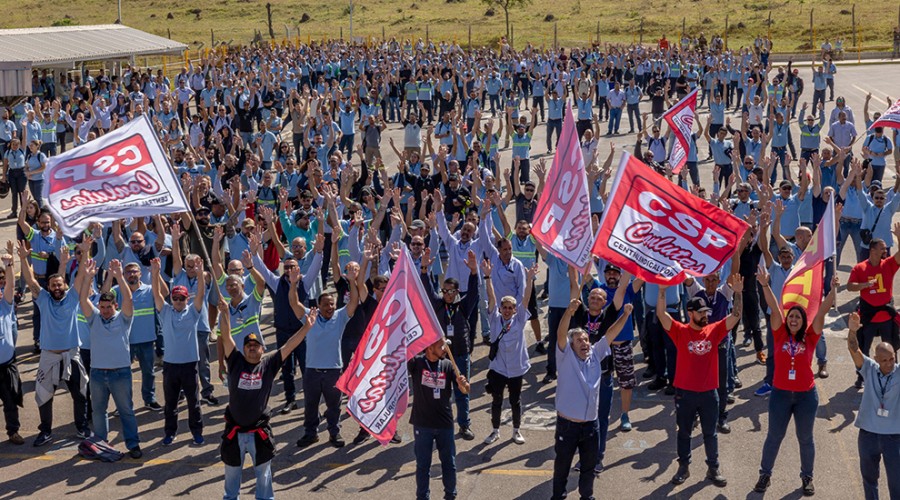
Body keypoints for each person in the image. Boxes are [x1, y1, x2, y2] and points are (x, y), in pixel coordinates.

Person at [220, 289, 315, 498]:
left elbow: (290, 345)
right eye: (248, 345)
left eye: (256, 345)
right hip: (234, 433)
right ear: (244, 349)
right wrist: (225, 313)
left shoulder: (269, 364)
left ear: (263, 349)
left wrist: (307, 327)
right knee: (231, 484)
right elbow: (226, 336)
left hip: (259, 433)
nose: (252, 348)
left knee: (263, 482)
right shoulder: (235, 361)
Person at [754, 266, 840, 496]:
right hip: (780, 395)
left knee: (805, 438)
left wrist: (832, 291)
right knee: (774, 436)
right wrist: (764, 285)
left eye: (797, 317)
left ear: (803, 321)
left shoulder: (811, 336)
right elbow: (773, 308)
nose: (793, 319)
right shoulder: (779, 332)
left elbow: (821, 312)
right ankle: (765, 474)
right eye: (790, 316)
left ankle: (807, 477)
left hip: (806, 397)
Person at [551, 269, 632, 500]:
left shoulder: (596, 353)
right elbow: (560, 333)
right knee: (562, 467)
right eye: (579, 340)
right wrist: (569, 311)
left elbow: (609, 333)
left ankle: (587, 497)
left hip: (591, 426)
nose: (585, 342)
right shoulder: (565, 355)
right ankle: (558, 496)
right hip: (568, 425)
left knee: (588, 469)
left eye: (586, 339)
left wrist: (625, 315)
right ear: (571, 343)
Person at [657, 276, 743, 487]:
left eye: (707, 312)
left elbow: (736, 315)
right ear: (691, 313)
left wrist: (738, 293)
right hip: (684, 393)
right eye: (701, 313)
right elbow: (661, 314)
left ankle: (713, 468)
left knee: (710, 433)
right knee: (684, 433)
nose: (706, 316)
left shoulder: (714, 330)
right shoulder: (680, 331)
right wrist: (661, 292)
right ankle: (684, 468)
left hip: (709, 394)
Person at [19, 239, 90, 447]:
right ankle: (45, 431)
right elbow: (31, 281)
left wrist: (85, 253)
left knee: (80, 394)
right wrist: (23, 258)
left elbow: (83, 274)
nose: (57, 288)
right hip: (49, 356)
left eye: (59, 284)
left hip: (71, 355)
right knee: (44, 396)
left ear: (65, 285)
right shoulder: (43, 299)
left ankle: (82, 426)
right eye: (53, 285)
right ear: (48, 288)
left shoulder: (72, 297)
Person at [78, 259, 142, 458]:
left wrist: (119, 276)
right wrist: (88, 278)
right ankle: (101, 444)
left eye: (109, 306)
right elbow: (82, 300)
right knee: (98, 412)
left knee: (126, 411)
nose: (105, 310)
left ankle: (133, 444)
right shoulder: (94, 318)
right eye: (102, 306)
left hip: (120, 373)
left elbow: (129, 300)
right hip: (97, 373)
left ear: (115, 305)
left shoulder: (124, 318)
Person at [295, 261, 360, 449]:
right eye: (326, 304)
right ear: (319, 306)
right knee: (311, 406)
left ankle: (334, 433)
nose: (330, 307)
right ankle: (310, 433)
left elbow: (354, 302)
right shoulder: (310, 316)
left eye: (332, 304)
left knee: (333, 407)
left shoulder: (340, 316)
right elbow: (294, 303)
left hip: (333, 370)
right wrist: (293, 284)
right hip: (312, 371)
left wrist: (353, 282)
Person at [482, 258, 538, 446]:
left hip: (516, 369)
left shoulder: (520, 319)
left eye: (510, 308)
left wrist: (529, 279)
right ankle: (495, 430)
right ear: (500, 309)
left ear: (515, 310)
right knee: (497, 401)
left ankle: (516, 430)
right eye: (504, 307)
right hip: (498, 368)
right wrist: (488, 277)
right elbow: (491, 297)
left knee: (515, 401)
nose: (507, 310)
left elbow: (526, 299)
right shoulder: (495, 319)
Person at [151, 257, 206, 445]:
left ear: (186, 299)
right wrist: (155, 272)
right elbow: (157, 294)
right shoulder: (165, 311)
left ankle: (197, 432)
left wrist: (199, 275)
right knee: (171, 404)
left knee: (193, 402)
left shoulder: (193, 312)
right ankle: (169, 432)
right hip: (171, 365)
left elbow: (200, 295)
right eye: (175, 298)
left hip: (190, 364)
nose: (178, 301)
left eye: (182, 298)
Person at [409, 335, 470, 500]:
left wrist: (463, 385)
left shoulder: (448, 365)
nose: (445, 349)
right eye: (441, 346)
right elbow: (400, 353)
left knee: (449, 464)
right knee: (423, 466)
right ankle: (422, 497)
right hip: (423, 424)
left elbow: (466, 390)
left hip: (444, 424)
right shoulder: (416, 363)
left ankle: (450, 496)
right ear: (429, 347)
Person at [847, 312, 900, 499]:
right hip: (868, 434)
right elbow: (854, 350)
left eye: (892, 359)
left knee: (897, 483)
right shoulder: (869, 368)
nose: (889, 364)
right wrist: (852, 332)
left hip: (894, 437)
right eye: (884, 360)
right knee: (869, 480)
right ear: (876, 359)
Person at [846, 224, 900, 389]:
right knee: (863, 347)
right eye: (882, 248)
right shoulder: (860, 267)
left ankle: (894, 377)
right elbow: (850, 286)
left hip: (885, 315)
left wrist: (899, 237)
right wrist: (864, 285)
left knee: (891, 349)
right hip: (868, 315)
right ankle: (861, 377)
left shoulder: (888, 264)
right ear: (872, 250)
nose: (885, 250)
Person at [0, 242, 23, 445]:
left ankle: (13, 432)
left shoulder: (5, 305)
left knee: (10, 401)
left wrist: (9, 264)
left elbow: (11, 285)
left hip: (6, 364)